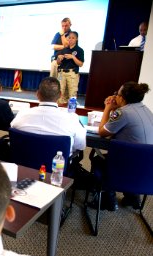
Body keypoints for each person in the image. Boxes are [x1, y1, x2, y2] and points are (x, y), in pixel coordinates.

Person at [92, 82, 152, 210]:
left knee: (97, 160)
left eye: (117, 94)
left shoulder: (122, 112)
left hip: (126, 165)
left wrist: (108, 107)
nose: (114, 96)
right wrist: (115, 108)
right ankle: (133, 197)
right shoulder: (146, 109)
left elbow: (102, 132)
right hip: (147, 169)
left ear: (123, 98)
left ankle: (109, 200)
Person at [11, 77, 86, 153]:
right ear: (60, 94)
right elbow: (80, 145)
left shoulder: (22, 114)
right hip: (57, 164)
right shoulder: (72, 119)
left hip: (22, 163)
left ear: (37, 94)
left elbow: (12, 129)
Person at [56, 31, 84, 105]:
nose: (71, 39)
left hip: (72, 74)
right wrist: (59, 58)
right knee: (59, 92)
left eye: (73, 38)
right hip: (61, 73)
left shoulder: (79, 50)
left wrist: (73, 57)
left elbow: (81, 64)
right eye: (69, 38)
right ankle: (59, 110)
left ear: (76, 39)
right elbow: (58, 63)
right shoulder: (64, 49)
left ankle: (71, 113)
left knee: (72, 94)